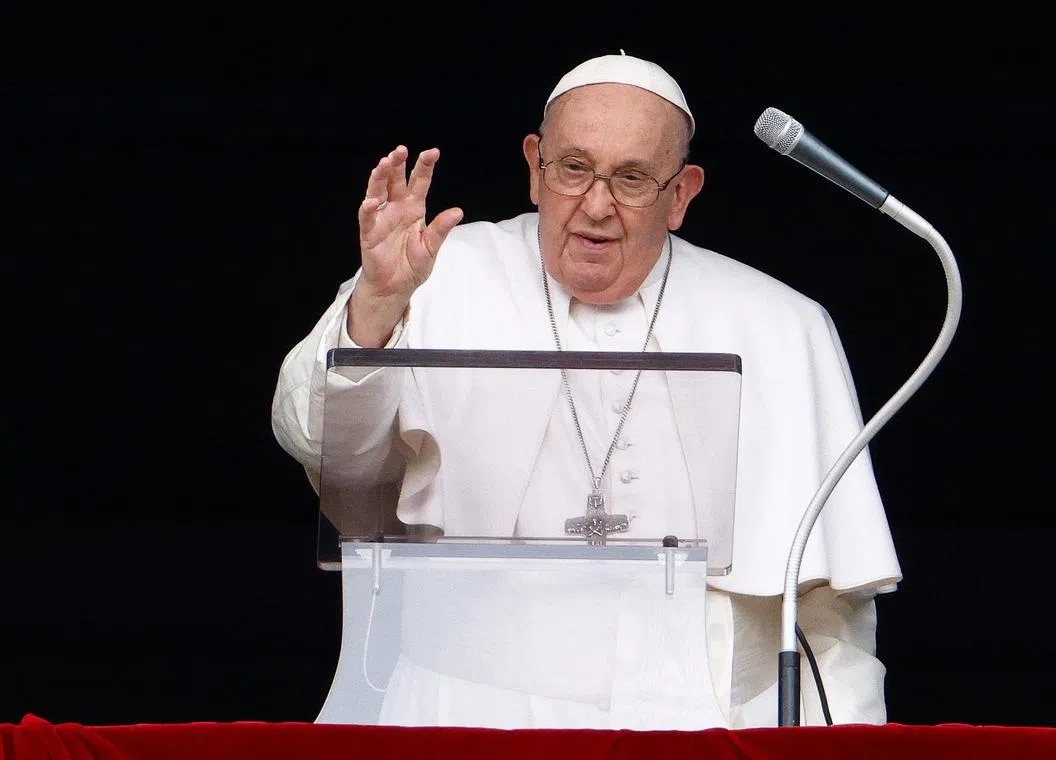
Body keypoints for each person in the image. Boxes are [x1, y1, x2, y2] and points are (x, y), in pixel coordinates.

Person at [272, 51, 902, 728]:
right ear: (534, 167)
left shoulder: (779, 323)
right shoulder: (435, 275)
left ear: (682, 194)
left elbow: (831, 619)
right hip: (468, 710)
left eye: (632, 178)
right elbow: (323, 446)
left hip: (703, 722)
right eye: (573, 169)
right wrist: (375, 306)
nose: (595, 205)